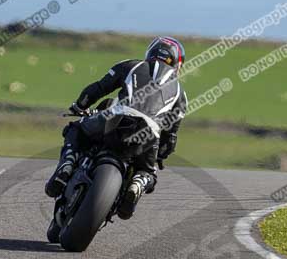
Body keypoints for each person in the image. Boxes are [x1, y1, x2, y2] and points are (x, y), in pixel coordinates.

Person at [44, 36, 188, 219]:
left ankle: (68, 163)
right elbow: (171, 136)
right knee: (149, 172)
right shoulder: (180, 93)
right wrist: (161, 155)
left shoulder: (130, 65)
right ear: (177, 63)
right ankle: (139, 182)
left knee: (75, 130)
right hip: (150, 132)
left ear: (150, 52)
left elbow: (98, 88)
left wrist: (79, 106)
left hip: (116, 116)